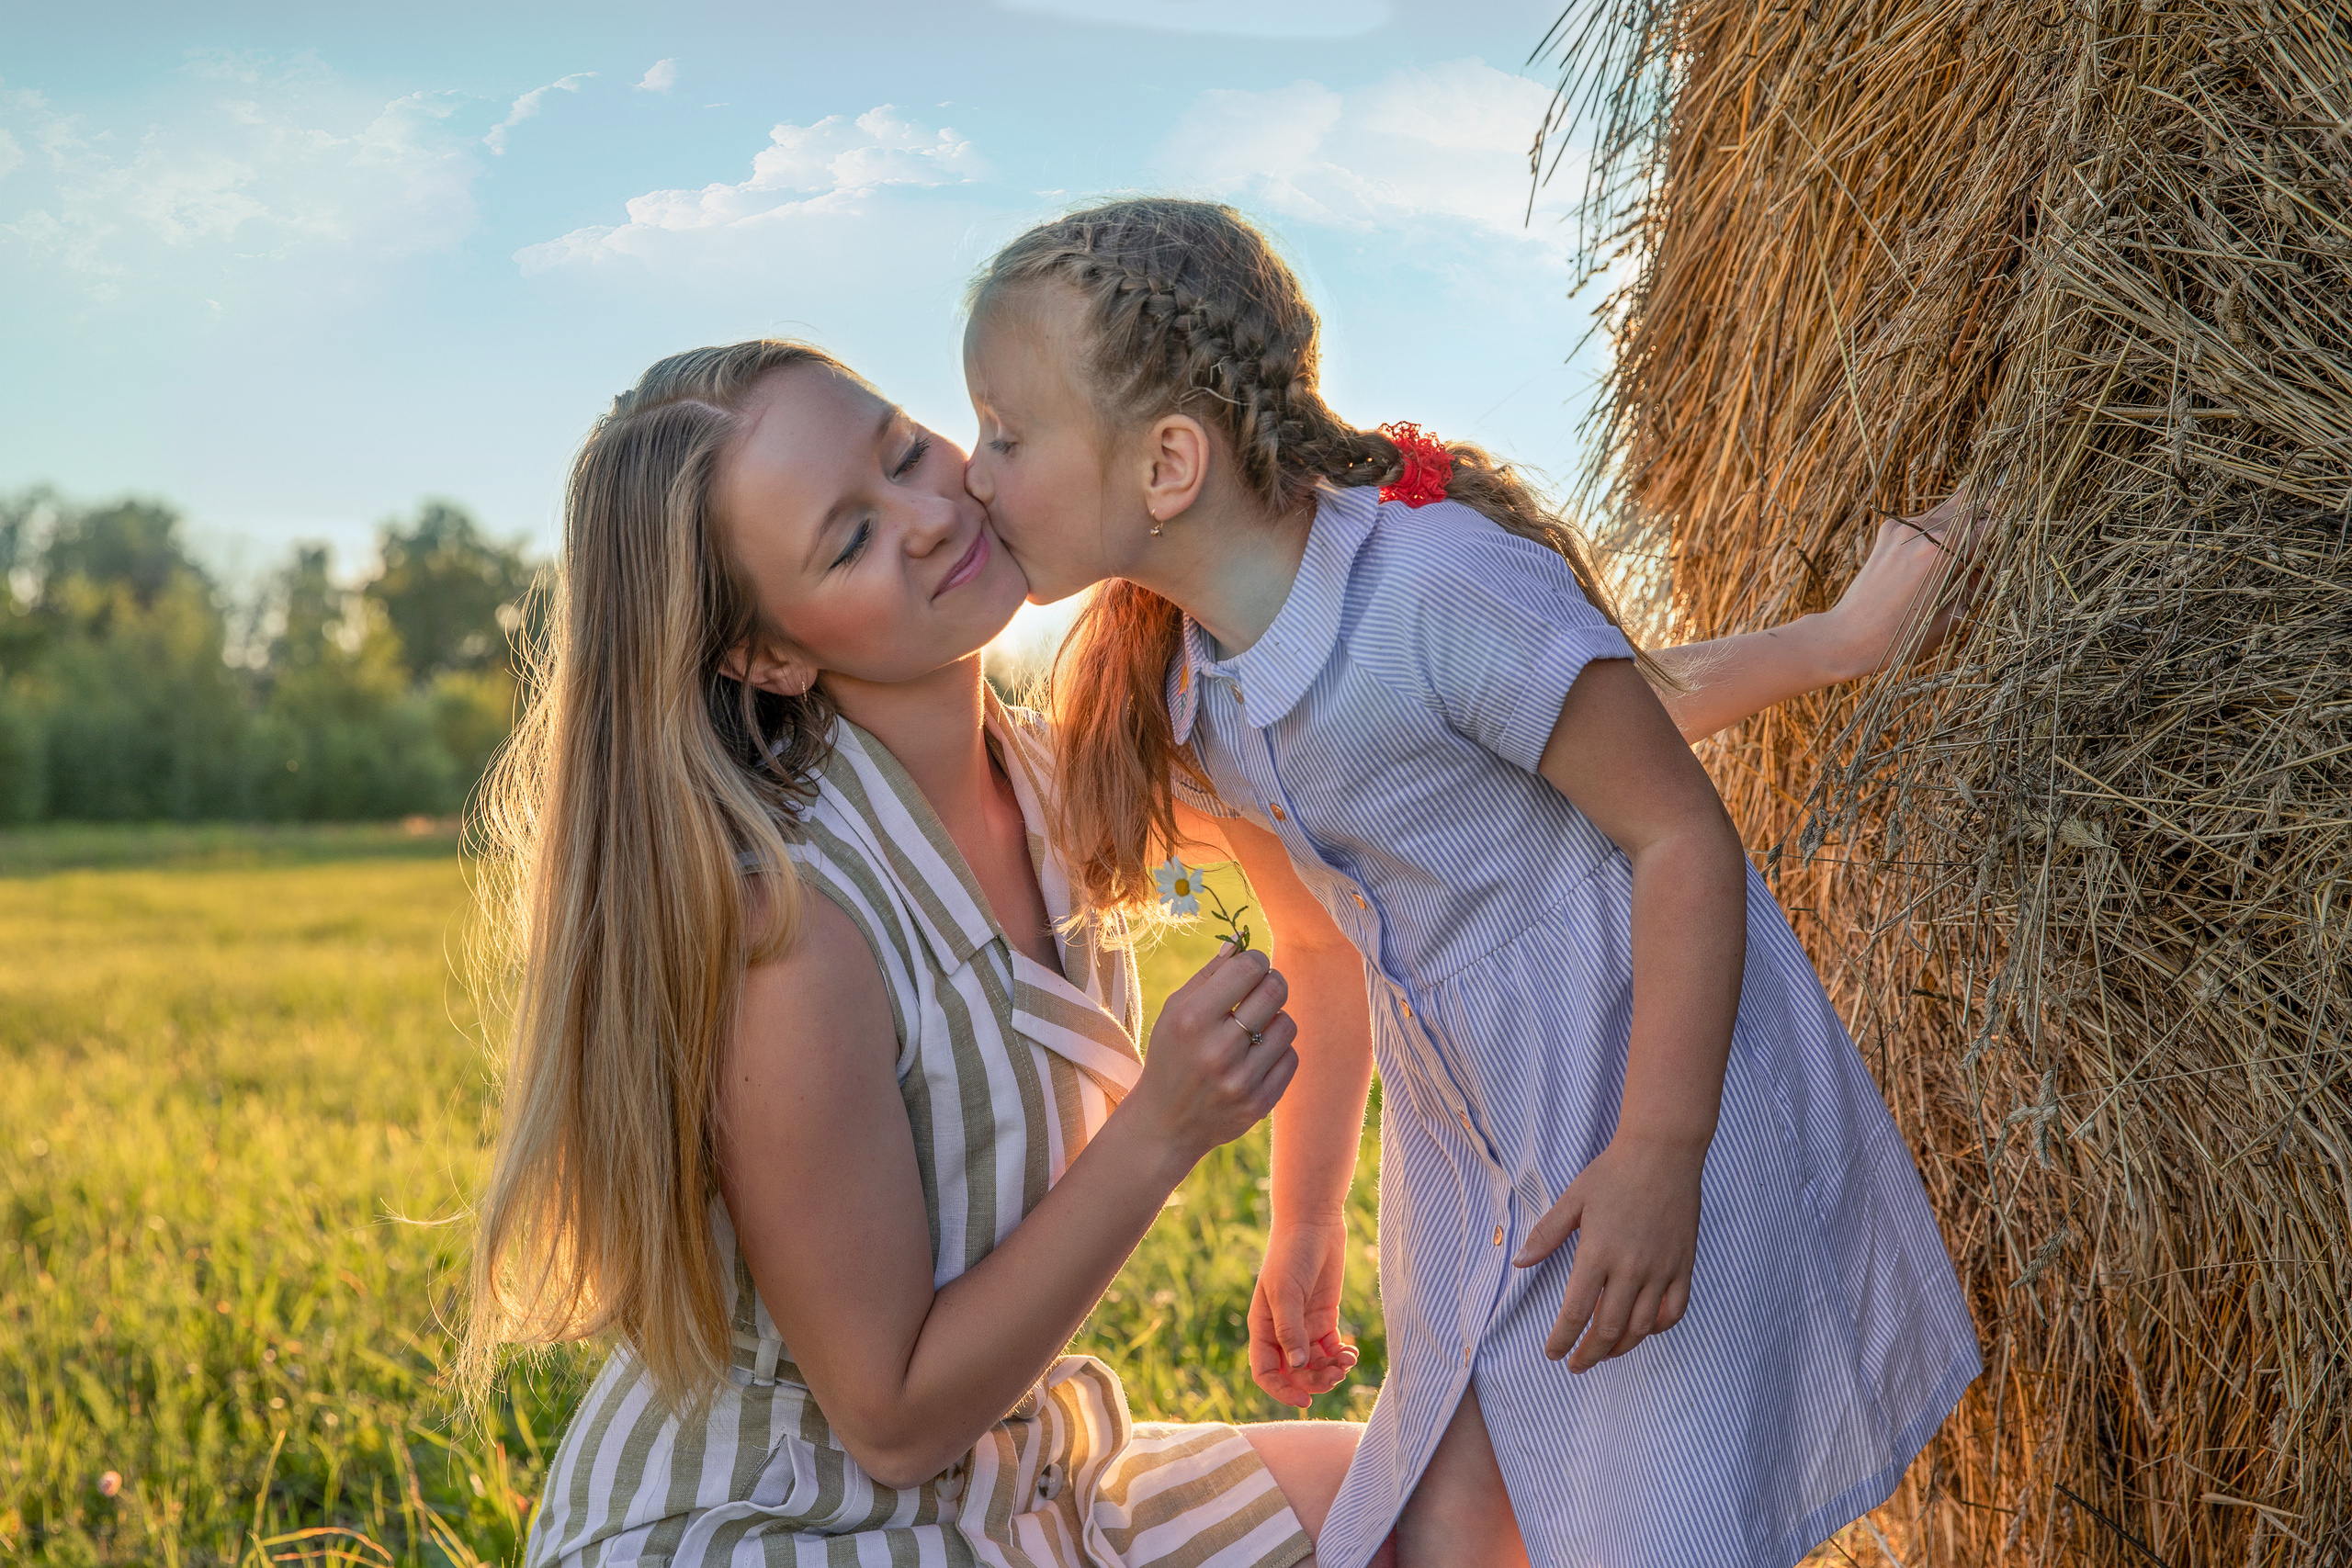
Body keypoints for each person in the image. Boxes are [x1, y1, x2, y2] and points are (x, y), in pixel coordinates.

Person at [959, 198, 1981, 1568]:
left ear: (1167, 465)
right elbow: (1324, 955)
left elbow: (1677, 832)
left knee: (1634, 1523)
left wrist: (1660, 1156)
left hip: (1643, 1099)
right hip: (1477, 1156)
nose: (972, 474)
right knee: (1447, 1528)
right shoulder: (1202, 688)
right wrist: (1308, 1219)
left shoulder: (1433, 587)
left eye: (1006, 436)